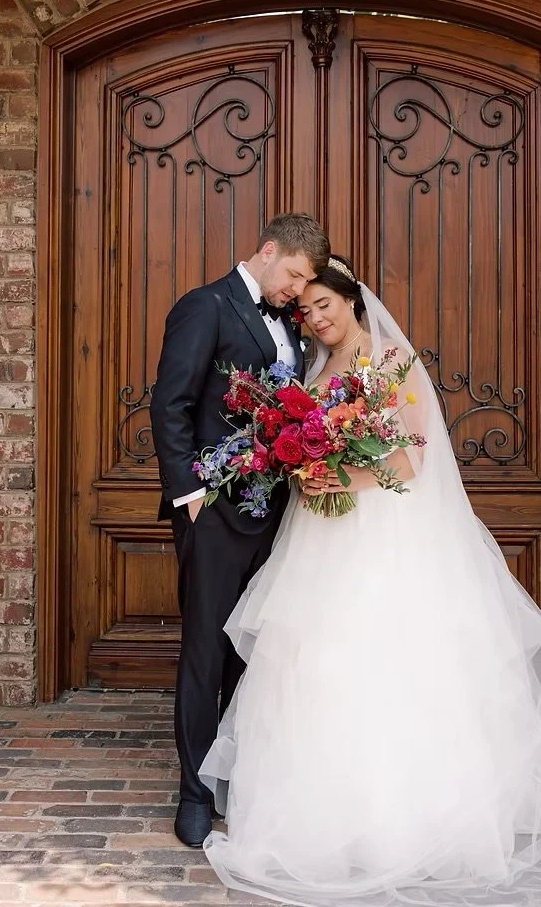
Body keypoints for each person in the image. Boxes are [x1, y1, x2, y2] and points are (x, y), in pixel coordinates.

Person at [199, 255, 541, 907]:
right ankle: (324, 814)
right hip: (323, 537)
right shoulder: (317, 371)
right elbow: (315, 442)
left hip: (385, 536)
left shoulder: (393, 365)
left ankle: (411, 822)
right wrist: (304, 471)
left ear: (351, 299)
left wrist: (339, 476)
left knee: (396, 666)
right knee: (319, 666)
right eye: (305, 311)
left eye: (324, 305)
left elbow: (409, 457)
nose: (315, 318)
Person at [149, 212, 331, 848]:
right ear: (268, 250)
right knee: (205, 650)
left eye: (306, 283)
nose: (297, 291)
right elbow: (170, 403)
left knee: (251, 649)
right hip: (216, 510)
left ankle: (235, 776)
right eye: (294, 276)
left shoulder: (288, 322)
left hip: (277, 511)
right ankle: (195, 792)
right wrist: (191, 496)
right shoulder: (207, 306)